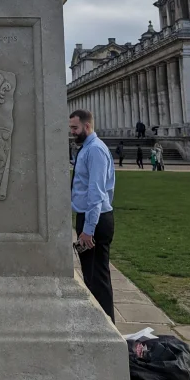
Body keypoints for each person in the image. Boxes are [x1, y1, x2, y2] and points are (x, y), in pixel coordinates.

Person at [69, 109, 116, 323]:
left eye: (75, 128)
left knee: (97, 278)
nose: (72, 132)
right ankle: (99, 325)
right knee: (91, 275)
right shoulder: (87, 149)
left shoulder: (95, 150)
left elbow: (96, 193)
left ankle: (106, 326)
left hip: (95, 220)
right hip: (90, 217)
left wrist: (88, 230)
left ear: (87, 126)